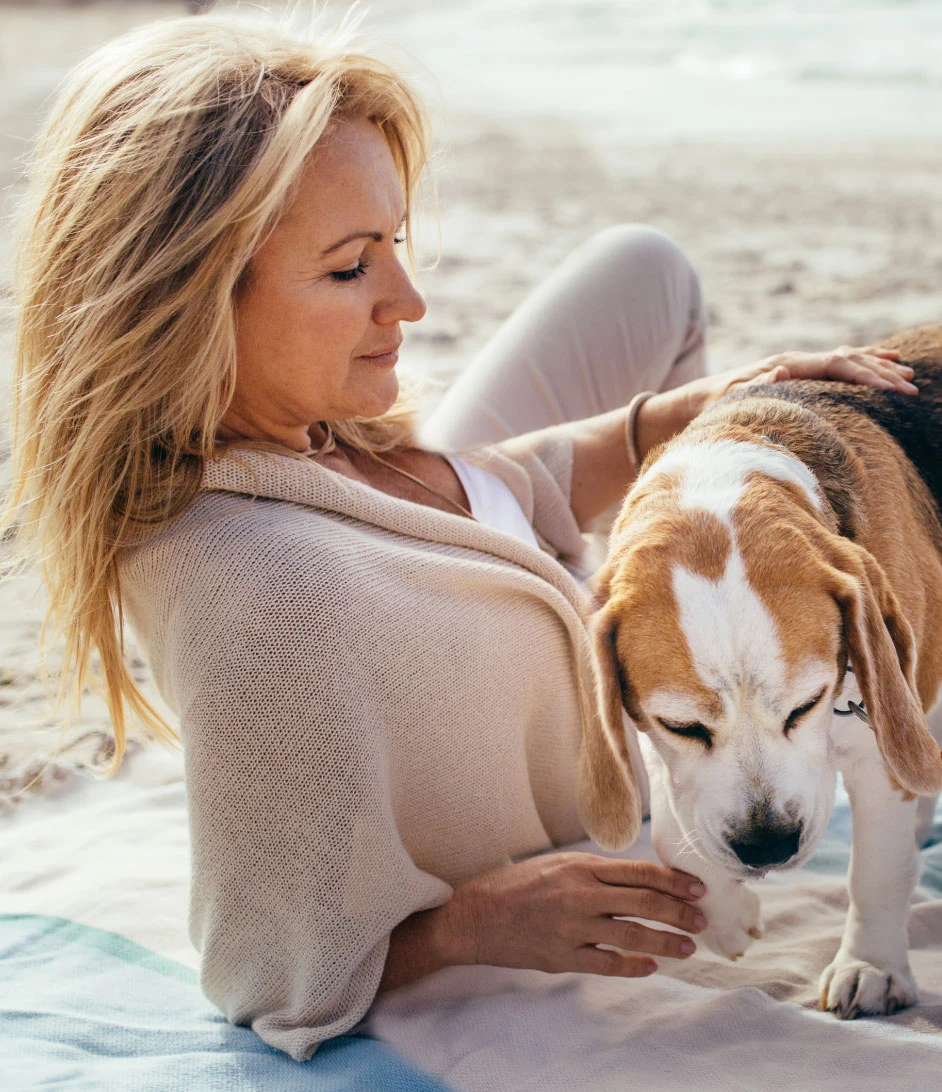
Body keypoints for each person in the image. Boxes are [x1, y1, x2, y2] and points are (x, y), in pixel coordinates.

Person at [4, 10, 916, 1063]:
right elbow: (257, 968)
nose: (413, 301)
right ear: (187, 307)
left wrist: (698, 409)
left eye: (394, 243)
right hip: (505, 629)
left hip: (452, 524)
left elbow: (512, 482)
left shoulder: (304, 430)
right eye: (350, 270)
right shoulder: (270, 596)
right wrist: (473, 923)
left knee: (645, 268)